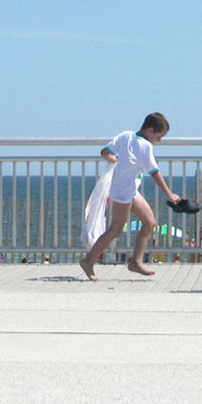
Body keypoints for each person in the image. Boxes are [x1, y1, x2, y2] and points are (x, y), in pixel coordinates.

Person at [79, 112, 182, 282]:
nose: (159, 140)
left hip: (128, 189)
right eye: (159, 136)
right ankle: (88, 261)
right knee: (115, 229)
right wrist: (169, 194)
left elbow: (104, 152)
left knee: (149, 222)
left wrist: (113, 159)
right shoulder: (145, 146)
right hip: (122, 192)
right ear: (150, 130)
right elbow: (154, 172)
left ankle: (136, 262)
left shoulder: (125, 135)